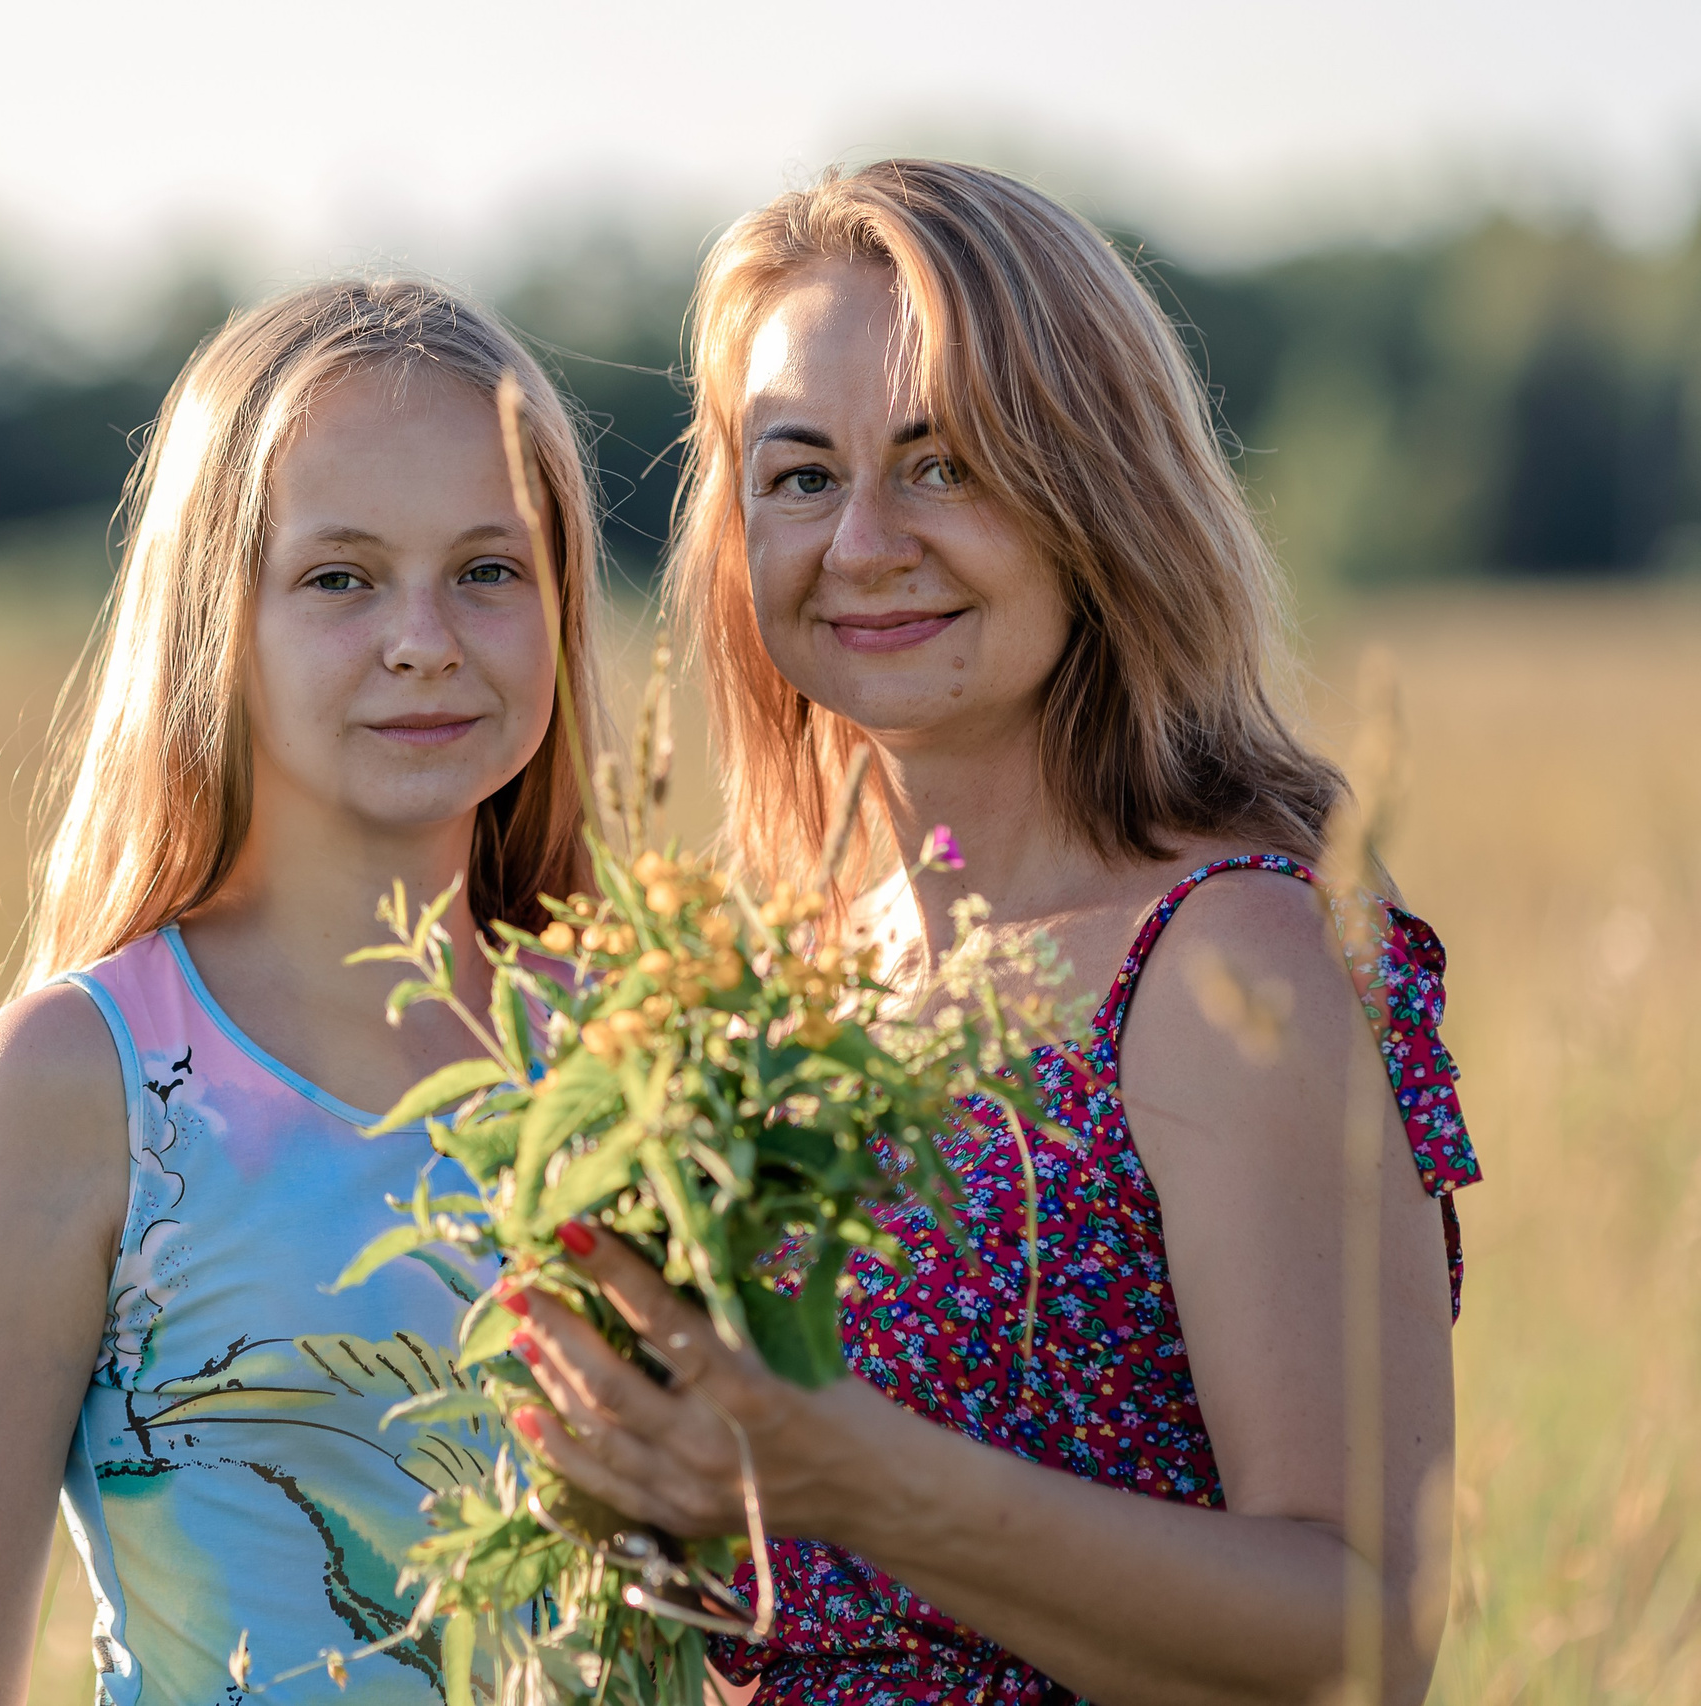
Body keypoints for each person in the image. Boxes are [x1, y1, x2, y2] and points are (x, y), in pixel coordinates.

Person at [499, 161, 1481, 1706]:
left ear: (1097, 491)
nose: (866, 540)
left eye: (943, 464)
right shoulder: (785, 971)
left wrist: (853, 1477)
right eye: (801, 474)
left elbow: (1362, 1640)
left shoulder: (1227, 957)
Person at [0, 278, 604, 1705]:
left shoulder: (635, 1049)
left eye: (490, 569)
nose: (424, 638)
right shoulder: (84, 1080)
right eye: (341, 577)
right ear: (216, 617)